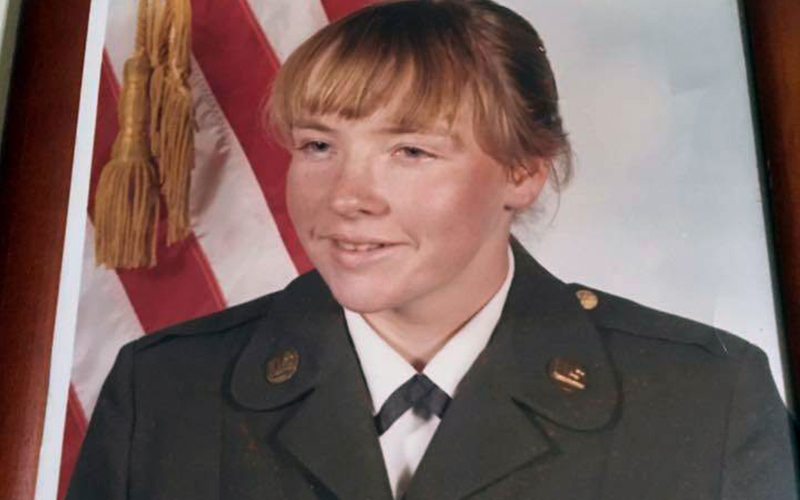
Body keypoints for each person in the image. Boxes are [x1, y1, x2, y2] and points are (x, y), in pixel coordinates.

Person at [66, 1, 798, 499]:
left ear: (523, 171)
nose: (347, 195)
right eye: (318, 144)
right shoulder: (165, 390)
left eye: (411, 151)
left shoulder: (705, 397)